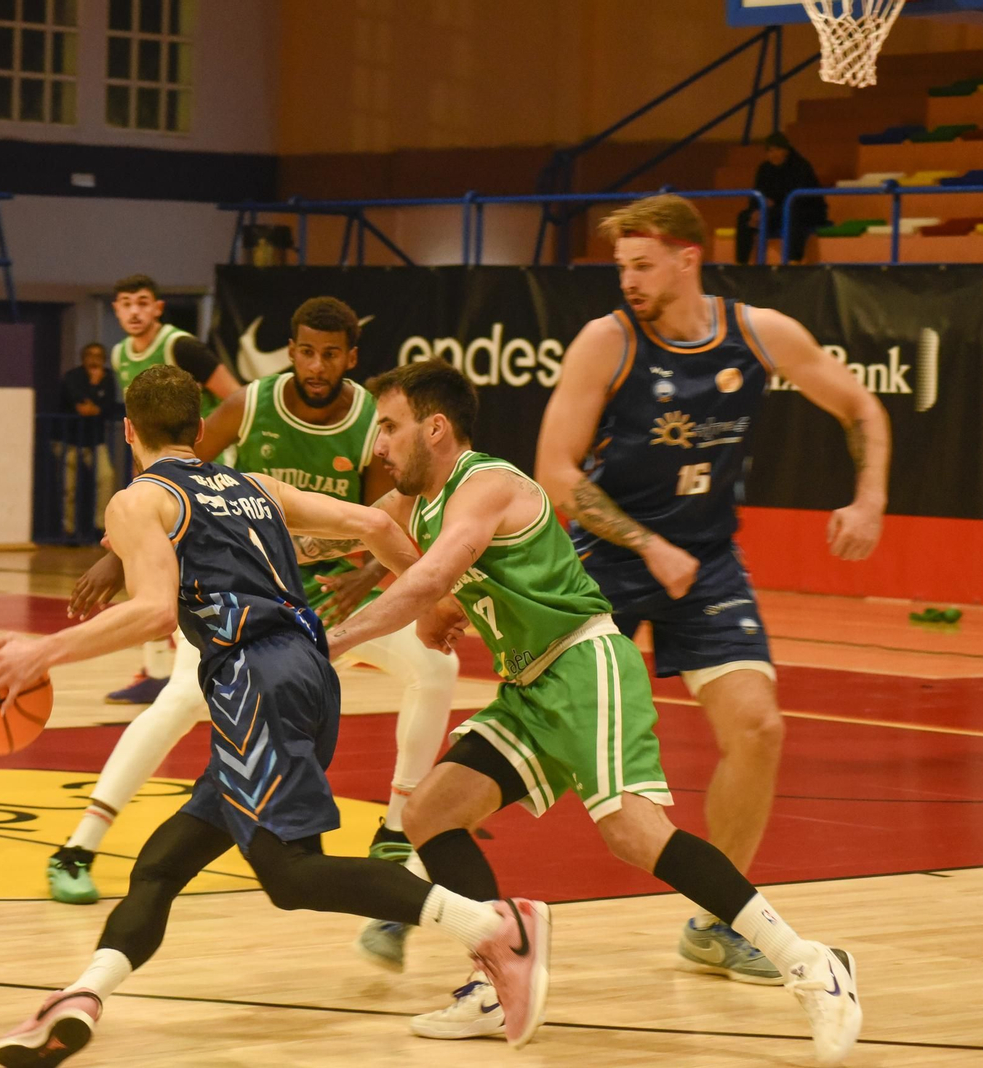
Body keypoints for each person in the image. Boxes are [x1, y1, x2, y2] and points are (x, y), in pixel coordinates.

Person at [0, 364, 551, 1065]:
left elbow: (155, 609)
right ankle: (83, 995)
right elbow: (372, 522)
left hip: (255, 679)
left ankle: (494, 926)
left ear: (129, 430)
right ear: (196, 429)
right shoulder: (252, 484)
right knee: (161, 863)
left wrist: (43, 652)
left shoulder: (139, 499)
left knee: (291, 876)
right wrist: (439, 598)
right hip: (308, 675)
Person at [319, 359, 860, 1065]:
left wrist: (332, 641)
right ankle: (495, 971)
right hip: (529, 688)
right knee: (429, 814)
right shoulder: (423, 500)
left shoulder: (486, 484)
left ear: (437, 427)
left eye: (389, 426)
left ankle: (813, 965)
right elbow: (349, 529)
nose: (378, 445)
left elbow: (430, 576)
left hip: (582, 665)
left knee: (635, 834)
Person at [535, 193, 889, 985]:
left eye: (642, 265)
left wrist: (868, 498)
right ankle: (415, 872)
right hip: (609, 557)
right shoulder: (608, 342)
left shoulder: (760, 334)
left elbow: (859, 405)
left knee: (760, 728)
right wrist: (647, 543)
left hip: (706, 562)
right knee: (542, 742)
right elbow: (555, 472)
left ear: (688, 258)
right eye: (620, 266)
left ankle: (720, 920)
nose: (626, 280)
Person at [50, 298, 457, 946]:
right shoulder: (250, 403)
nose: (316, 365)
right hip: (244, 598)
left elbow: (389, 510)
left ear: (352, 358)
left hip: (328, 604)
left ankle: (396, 827)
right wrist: (117, 548)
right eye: (305, 351)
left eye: (331, 354)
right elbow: (180, 475)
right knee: (180, 702)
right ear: (290, 350)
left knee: (438, 667)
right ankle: (80, 844)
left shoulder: (368, 421)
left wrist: (377, 578)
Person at [101, 273, 242, 705]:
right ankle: (158, 669)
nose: (135, 311)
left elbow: (236, 398)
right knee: (149, 564)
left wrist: (209, 456)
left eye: (143, 302)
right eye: (126, 303)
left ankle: (204, 659)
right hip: (160, 470)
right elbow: (138, 429)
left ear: (158, 308)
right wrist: (139, 481)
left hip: (204, 462)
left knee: (185, 567)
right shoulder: (120, 353)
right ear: (116, 310)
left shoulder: (181, 347)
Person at [736, 132, 828, 265]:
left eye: (777, 150)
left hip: (806, 211)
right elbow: (756, 195)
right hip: (772, 212)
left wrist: (772, 205)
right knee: (744, 217)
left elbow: (800, 199)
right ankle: (741, 263)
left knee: (793, 214)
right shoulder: (764, 169)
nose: (773, 154)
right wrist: (756, 210)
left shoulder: (801, 166)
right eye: (770, 151)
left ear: (786, 150)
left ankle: (793, 260)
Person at [56, 342, 117, 538]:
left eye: (99, 355)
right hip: (69, 439)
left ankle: (100, 526)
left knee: (106, 477)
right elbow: (81, 405)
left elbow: (108, 406)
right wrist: (93, 386)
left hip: (94, 440)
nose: (94, 359)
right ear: (83, 358)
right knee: (69, 486)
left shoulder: (108, 379)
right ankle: (68, 529)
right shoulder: (73, 377)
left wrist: (97, 405)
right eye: (90, 355)